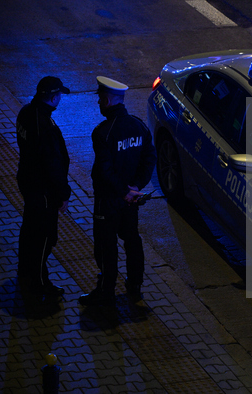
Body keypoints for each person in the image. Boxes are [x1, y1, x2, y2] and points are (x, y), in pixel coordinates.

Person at [79, 76, 156, 306]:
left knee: (105, 244)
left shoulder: (103, 132)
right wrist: (136, 188)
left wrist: (123, 191)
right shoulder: (139, 126)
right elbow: (149, 158)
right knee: (131, 239)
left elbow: (105, 170)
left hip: (109, 200)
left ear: (109, 100)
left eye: (101, 99)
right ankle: (135, 284)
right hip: (130, 200)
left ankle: (106, 290)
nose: (98, 103)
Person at [16, 76, 71, 297]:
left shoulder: (26, 112)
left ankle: (25, 269)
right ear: (54, 97)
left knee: (29, 227)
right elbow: (53, 165)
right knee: (45, 236)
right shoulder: (45, 125)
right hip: (43, 189)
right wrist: (63, 194)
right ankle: (39, 282)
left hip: (28, 182)